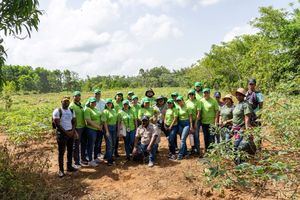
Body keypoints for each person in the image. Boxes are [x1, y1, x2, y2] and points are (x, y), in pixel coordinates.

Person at [53, 96, 77, 177]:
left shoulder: (71, 110)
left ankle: (69, 166)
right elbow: (57, 124)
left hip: (70, 133)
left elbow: (74, 122)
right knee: (61, 152)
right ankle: (61, 170)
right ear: (61, 102)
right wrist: (66, 132)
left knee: (70, 151)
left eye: (67, 101)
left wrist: (72, 131)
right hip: (62, 134)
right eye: (64, 101)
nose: (66, 102)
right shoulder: (57, 111)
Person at [231, 88, 256, 161]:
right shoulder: (238, 104)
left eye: (240, 95)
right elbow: (235, 117)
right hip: (236, 129)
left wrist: (248, 131)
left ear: (243, 96)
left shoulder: (245, 105)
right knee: (237, 146)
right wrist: (233, 127)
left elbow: (247, 118)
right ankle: (238, 162)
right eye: (237, 95)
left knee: (238, 146)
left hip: (242, 129)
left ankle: (240, 163)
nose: (238, 96)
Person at [69, 91, 87, 167]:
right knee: (76, 145)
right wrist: (74, 130)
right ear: (73, 97)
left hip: (83, 127)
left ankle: (83, 158)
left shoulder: (80, 104)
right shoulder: (72, 106)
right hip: (77, 128)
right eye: (76, 96)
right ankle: (76, 161)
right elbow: (71, 119)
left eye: (79, 96)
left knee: (83, 144)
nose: (78, 97)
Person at [84, 97, 103, 167]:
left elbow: (100, 117)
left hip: (98, 129)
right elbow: (88, 121)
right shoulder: (87, 110)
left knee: (97, 144)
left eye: (94, 102)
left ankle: (95, 157)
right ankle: (90, 160)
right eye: (92, 102)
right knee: (90, 145)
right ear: (89, 103)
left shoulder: (96, 109)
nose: (93, 103)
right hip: (91, 129)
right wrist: (98, 127)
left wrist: (100, 125)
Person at [176, 96, 193, 160]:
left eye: (180, 100)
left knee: (182, 139)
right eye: (177, 101)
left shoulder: (188, 107)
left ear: (183, 100)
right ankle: (185, 152)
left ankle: (180, 155)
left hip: (186, 124)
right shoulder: (177, 107)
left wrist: (191, 126)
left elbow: (190, 117)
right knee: (182, 138)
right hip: (180, 124)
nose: (179, 102)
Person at [185, 89, 201, 155]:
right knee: (191, 135)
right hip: (189, 121)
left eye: (192, 94)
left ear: (194, 95)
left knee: (196, 135)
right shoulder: (186, 102)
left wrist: (195, 123)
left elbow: (198, 113)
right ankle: (192, 148)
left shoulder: (197, 102)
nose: (191, 95)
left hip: (196, 120)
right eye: (190, 94)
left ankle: (197, 149)